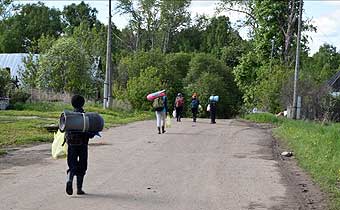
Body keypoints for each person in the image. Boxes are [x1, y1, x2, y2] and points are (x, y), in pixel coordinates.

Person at [65, 95, 95, 195]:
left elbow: (63, 129)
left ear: (72, 104)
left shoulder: (69, 117)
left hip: (71, 144)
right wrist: (92, 134)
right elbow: (89, 133)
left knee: (72, 165)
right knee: (82, 166)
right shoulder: (86, 117)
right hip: (83, 144)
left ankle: (69, 180)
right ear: (83, 103)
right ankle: (79, 189)